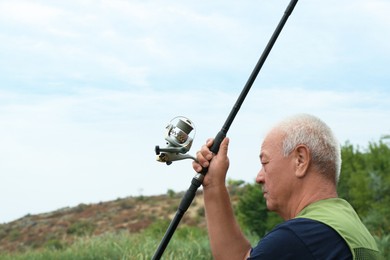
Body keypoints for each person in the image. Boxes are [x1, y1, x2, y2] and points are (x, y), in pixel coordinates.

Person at [193, 114, 380, 259]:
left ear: (300, 160)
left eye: (264, 163)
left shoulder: (302, 237)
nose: (259, 177)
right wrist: (213, 185)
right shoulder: (347, 228)